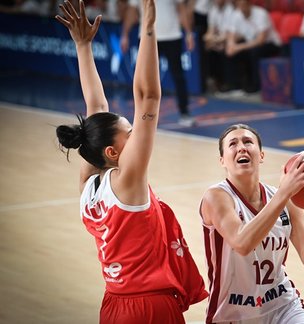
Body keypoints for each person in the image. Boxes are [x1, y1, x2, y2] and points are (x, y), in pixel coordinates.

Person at [55, 0, 208, 322]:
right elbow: (148, 98)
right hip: (149, 306)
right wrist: (149, 29)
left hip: (113, 304)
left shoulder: (89, 184)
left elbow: (96, 110)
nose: (135, 132)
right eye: (129, 132)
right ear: (113, 152)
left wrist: (83, 47)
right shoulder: (128, 182)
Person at [199, 123, 304, 323]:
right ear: (222, 160)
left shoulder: (283, 199)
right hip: (233, 315)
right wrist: (284, 193)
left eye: (248, 142)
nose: (241, 147)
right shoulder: (216, 197)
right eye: (233, 144)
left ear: (261, 155)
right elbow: (242, 243)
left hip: (283, 306)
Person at [121, 0, 196, 127]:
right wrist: (125, 34)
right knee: (144, 79)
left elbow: (181, 8)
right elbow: (132, 11)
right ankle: (144, 115)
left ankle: (184, 113)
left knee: (178, 76)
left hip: (172, 36)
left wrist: (188, 33)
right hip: (147, 36)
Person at [223, 0, 281, 94]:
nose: (242, 8)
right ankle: (235, 86)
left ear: (250, 4)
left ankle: (256, 85)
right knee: (228, 50)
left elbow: (261, 40)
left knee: (254, 52)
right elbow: (231, 35)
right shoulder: (236, 14)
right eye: (239, 5)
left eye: (244, 5)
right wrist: (231, 46)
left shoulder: (261, 13)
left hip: (270, 44)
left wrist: (238, 47)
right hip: (250, 43)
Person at [203, 0, 234, 92]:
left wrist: (215, 40)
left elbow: (230, 33)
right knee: (208, 47)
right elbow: (210, 31)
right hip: (219, 39)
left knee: (225, 48)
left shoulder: (231, 10)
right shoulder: (213, 10)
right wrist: (211, 40)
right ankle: (214, 80)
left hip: (232, 39)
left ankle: (228, 83)